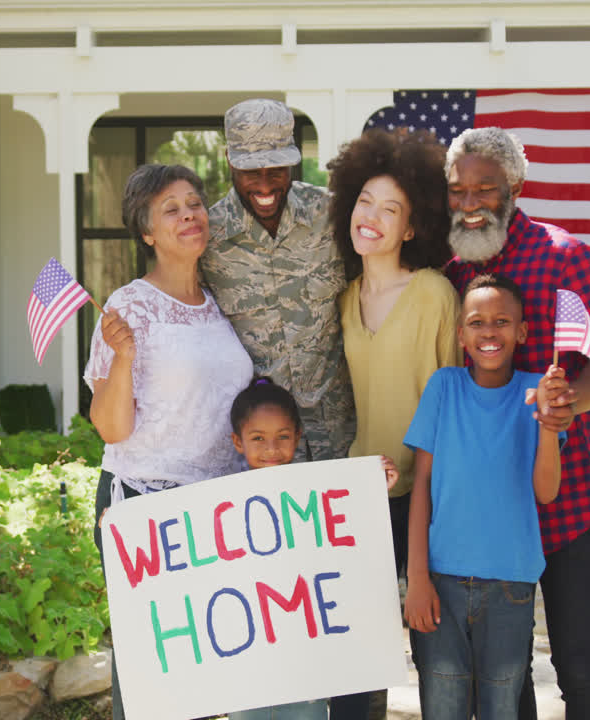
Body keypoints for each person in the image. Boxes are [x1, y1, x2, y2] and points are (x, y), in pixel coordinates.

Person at [442, 127, 590, 719]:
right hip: (495, 505)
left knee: (578, 666)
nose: (470, 204)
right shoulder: (450, 272)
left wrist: (566, 403)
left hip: (568, 495)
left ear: (514, 187)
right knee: (504, 672)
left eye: (485, 190)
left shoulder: (566, 255)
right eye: (458, 191)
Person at [199, 99, 371, 720]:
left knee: (348, 614)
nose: (266, 185)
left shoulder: (334, 218)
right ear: (230, 162)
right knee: (273, 615)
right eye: (252, 171)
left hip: (334, 448)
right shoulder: (208, 235)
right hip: (258, 464)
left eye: (278, 168)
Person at [85, 163, 254, 720]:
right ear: (148, 232)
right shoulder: (128, 307)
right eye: (171, 209)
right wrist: (125, 357)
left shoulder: (218, 303)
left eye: (194, 203)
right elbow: (111, 428)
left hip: (213, 511)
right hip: (145, 501)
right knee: (152, 676)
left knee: (208, 674)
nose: (189, 215)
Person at [403, 273, 566, 719]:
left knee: (501, 708)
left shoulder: (538, 391)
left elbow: (546, 493)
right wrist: (416, 578)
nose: (489, 332)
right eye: (476, 322)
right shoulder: (444, 387)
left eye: (501, 321)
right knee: (443, 707)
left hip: (510, 587)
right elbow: (422, 488)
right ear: (461, 335)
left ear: (522, 331)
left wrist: (549, 426)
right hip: (441, 584)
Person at [326, 127, 459, 582]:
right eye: (365, 201)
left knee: (425, 631)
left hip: (426, 487)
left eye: (390, 209)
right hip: (362, 485)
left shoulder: (434, 293)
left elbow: (456, 397)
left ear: (412, 227)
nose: (372, 216)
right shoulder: (345, 299)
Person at [225, 377, 398, 720]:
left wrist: (373, 489)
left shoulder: (315, 497)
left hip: (306, 664)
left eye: (282, 437)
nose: (271, 448)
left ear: (298, 437)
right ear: (237, 441)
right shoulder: (222, 502)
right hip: (250, 667)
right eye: (258, 438)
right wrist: (128, 524)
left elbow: (349, 544)